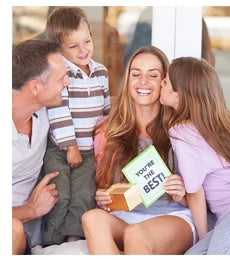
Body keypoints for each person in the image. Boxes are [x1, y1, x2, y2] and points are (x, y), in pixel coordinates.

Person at [81, 46, 196, 255]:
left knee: (136, 233)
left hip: (173, 217)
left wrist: (182, 195)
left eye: (153, 75)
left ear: (165, 83)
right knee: (91, 218)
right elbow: (106, 187)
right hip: (127, 216)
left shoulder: (182, 130)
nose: (143, 82)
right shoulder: (107, 130)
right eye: (136, 74)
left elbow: (204, 196)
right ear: (128, 80)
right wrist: (104, 198)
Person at [160, 57, 230, 255]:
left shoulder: (182, 133)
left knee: (219, 254)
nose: (161, 84)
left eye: (165, 82)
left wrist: (204, 235)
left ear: (179, 97)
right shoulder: (212, 124)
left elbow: (195, 193)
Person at [40, 7, 110, 246]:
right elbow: (58, 111)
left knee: (83, 193)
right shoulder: (61, 73)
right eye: (73, 46)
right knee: (60, 193)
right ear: (58, 49)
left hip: (89, 150)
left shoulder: (101, 72)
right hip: (61, 148)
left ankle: (73, 240)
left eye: (87, 41)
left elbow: (106, 111)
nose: (83, 50)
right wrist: (71, 146)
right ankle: (51, 242)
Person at [12, 39, 70, 255]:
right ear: (35, 87)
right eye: (61, 78)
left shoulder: (44, 111)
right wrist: (31, 209)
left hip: (30, 238)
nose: (68, 83)